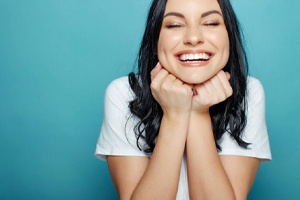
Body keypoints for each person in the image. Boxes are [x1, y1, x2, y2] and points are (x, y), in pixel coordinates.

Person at [95, 0, 271, 199]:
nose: (194, 38)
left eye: (211, 23)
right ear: (154, 43)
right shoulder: (124, 94)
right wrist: (175, 115)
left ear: (229, 36)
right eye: (174, 25)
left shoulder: (248, 93)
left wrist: (198, 112)